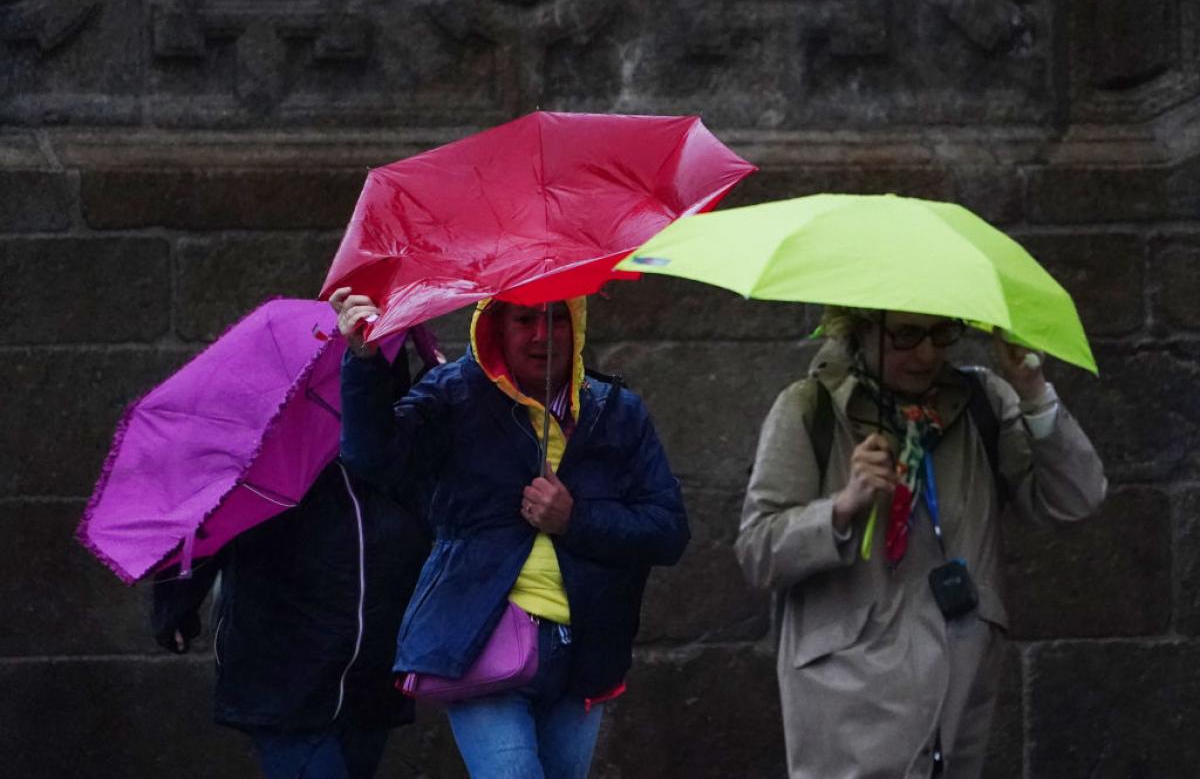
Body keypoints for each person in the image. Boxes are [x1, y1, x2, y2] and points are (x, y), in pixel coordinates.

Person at [331, 288, 688, 779]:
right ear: (495, 327)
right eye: (525, 320)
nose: (543, 335)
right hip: (481, 646)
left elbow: (668, 532)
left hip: (585, 655)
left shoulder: (617, 412)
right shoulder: (454, 395)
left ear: (577, 325)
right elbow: (373, 458)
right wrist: (364, 361)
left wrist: (574, 520)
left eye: (557, 318)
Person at [736, 307, 1107, 778]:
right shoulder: (810, 408)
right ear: (862, 328)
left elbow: (1074, 500)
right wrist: (841, 507)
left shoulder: (984, 402)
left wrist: (1033, 394)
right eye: (907, 335)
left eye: (941, 333)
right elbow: (757, 551)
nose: (927, 353)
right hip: (848, 708)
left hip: (959, 693)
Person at [152, 346, 432, 779]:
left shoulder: (405, 442)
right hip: (284, 673)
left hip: (371, 676)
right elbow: (207, 515)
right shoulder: (267, 445)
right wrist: (176, 600)